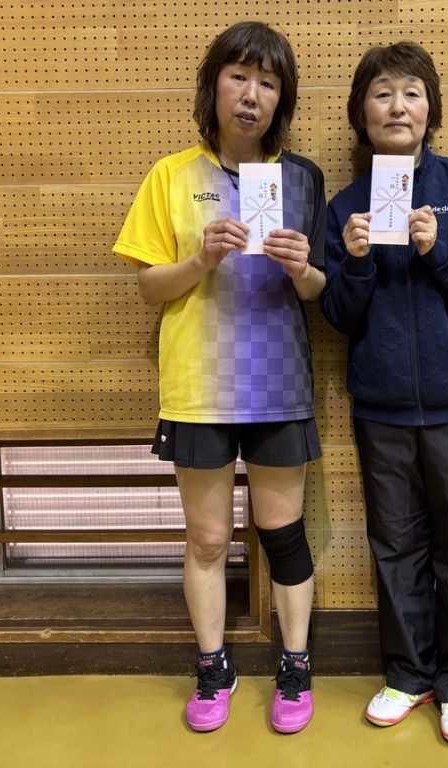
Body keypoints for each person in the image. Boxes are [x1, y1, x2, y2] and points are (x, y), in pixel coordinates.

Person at [113, 21, 326, 735]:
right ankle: (213, 668)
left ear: (281, 100)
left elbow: (323, 289)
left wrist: (301, 268)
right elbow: (149, 288)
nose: (252, 95)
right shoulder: (170, 176)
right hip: (198, 387)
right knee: (207, 539)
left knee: (282, 533)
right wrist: (200, 259)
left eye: (268, 83)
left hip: (280, 384)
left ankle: (295, 666)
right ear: (213, 86)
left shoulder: (302, 179)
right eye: (239, 77)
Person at [321, 42, 448, 746]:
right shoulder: (346, 207)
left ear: (430, 109)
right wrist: (354, 262)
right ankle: (408, 675)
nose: (397, 106)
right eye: (381, 93)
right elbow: (338, 316)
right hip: (381, 410)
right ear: (361, 114)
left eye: (411, 92)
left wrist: (442, 250)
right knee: (395, 546)